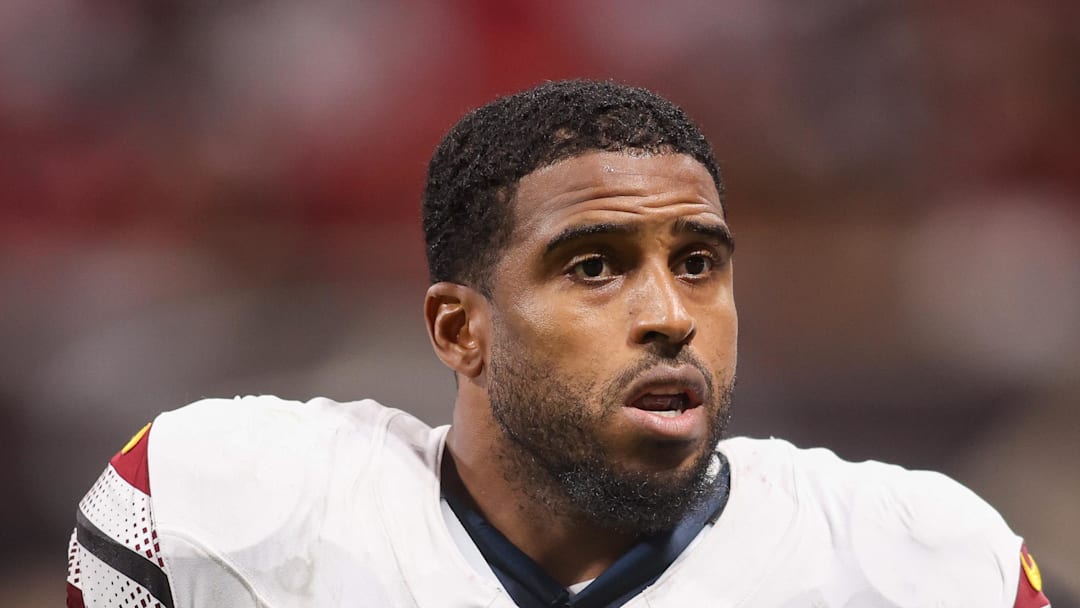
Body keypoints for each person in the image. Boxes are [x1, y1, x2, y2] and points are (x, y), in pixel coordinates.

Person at [66, 80, 1052, 608]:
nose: (670, 313)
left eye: (698, 262)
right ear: (461, 329)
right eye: (593, 265)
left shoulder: (914, 562)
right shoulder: (225, 512)